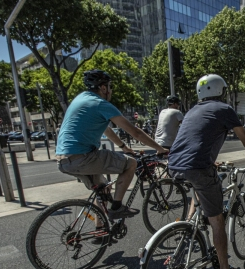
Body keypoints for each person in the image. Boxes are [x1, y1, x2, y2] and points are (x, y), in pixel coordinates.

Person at [168, 74, 245, 269]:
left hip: (175, 166)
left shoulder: (191, 111)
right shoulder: (224, 110)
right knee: (217, 221)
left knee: (197, 197)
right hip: (198, 168)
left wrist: (210, 161)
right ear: (220, 91)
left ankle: (187, 232)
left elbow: (194, 139)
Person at [55, 69, 169, 220]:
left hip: (63, 160)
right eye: (110, 86)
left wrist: (124, 147)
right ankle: (117, 208)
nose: (111, 90)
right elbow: (136, 133)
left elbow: (107, 130)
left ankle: (100, 230)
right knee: (131, 164)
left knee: (103, 190)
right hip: (83, 157)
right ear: (103, 88)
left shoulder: (81, 99)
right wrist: (160, 149)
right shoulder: (101, 103)